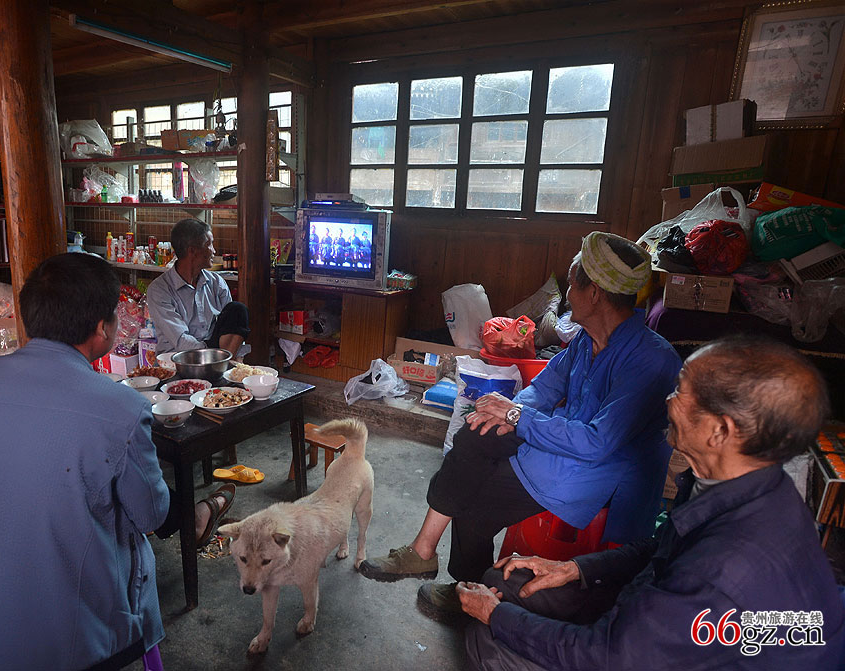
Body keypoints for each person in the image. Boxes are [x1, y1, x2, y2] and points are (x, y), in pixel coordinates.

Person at [0, 253, 236, 671]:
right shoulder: (121, 409)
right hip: (80, 645)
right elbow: (152, 513)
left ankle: (203, 513)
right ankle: (203, 514)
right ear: (101, 329)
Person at [459, 335, 844, 670]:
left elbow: (611, 657)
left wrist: (497, 618)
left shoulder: (727, 567)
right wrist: (575, 568)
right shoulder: (740, 484)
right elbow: (663, 549)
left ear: (719, 431)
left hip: (648, 653)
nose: (667, 399)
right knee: (505, 581)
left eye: (680, 390)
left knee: (490, 640)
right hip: (661, 621)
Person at [359, 232, 682, 622]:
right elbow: (543, 390)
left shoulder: (651, 359)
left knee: (473, 501)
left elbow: (598, 443)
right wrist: (505, 411)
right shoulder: (585, 341)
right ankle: (426, 553)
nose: (568, 294)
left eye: (572, 281)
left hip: (598, 473)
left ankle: (466, 588)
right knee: (477, 430)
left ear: (594, 293)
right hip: (563, 445)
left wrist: (516, 416)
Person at [146, 217, 249, 356]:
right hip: (177, 359)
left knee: (238, 310)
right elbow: (181, 340)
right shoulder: (160, 290)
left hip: (213, 352)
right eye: (209, 244)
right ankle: (221, 362)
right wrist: (210, 356)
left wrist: (234, 359)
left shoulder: (216, 283)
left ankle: (225, 363)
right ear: (192, 251)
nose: (214, 250)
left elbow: (230, 328)